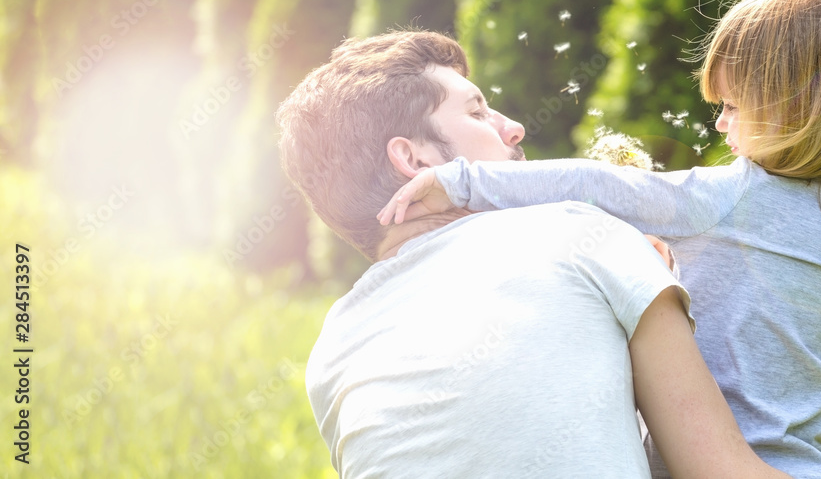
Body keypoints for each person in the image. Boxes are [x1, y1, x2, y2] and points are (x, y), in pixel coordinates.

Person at [378, 0, 821, 479]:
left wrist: (461, 182)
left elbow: (596, 184)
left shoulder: (732, 198)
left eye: (731, 106)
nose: (719, 126)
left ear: (794, 104)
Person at [277, 30, 789, 478]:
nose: (513, 127)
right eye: (476, 111)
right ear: (415, 159)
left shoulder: (333, 348)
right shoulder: (579, 233)